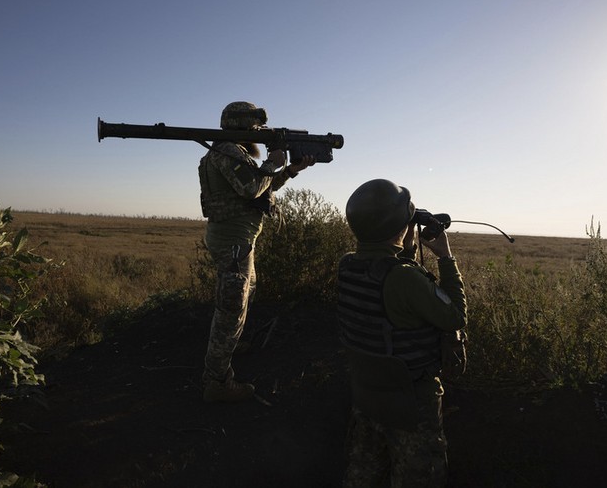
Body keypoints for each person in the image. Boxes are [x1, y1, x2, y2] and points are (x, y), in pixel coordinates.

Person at [336, 178, 467, 487]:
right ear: (400, 228)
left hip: (367, 394)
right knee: (420, 476)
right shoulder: (404, 278)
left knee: (364, 473)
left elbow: (388, 295)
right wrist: (446, 259)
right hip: (409, 403)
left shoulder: (348, 266)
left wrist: (404, 249)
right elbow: (455, 317)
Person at [198, 101, 315, 403]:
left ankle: (230, 344)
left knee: (242, 296)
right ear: (243, 128)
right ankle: (217, 382)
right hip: (232, 241)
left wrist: (289, 170)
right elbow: (251, 188)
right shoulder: (227, 152)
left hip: (240, 240)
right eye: (256, 129)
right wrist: (273, 163)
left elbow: (261, 187)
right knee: (232, 308)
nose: (259, 134)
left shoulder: (232, 152)